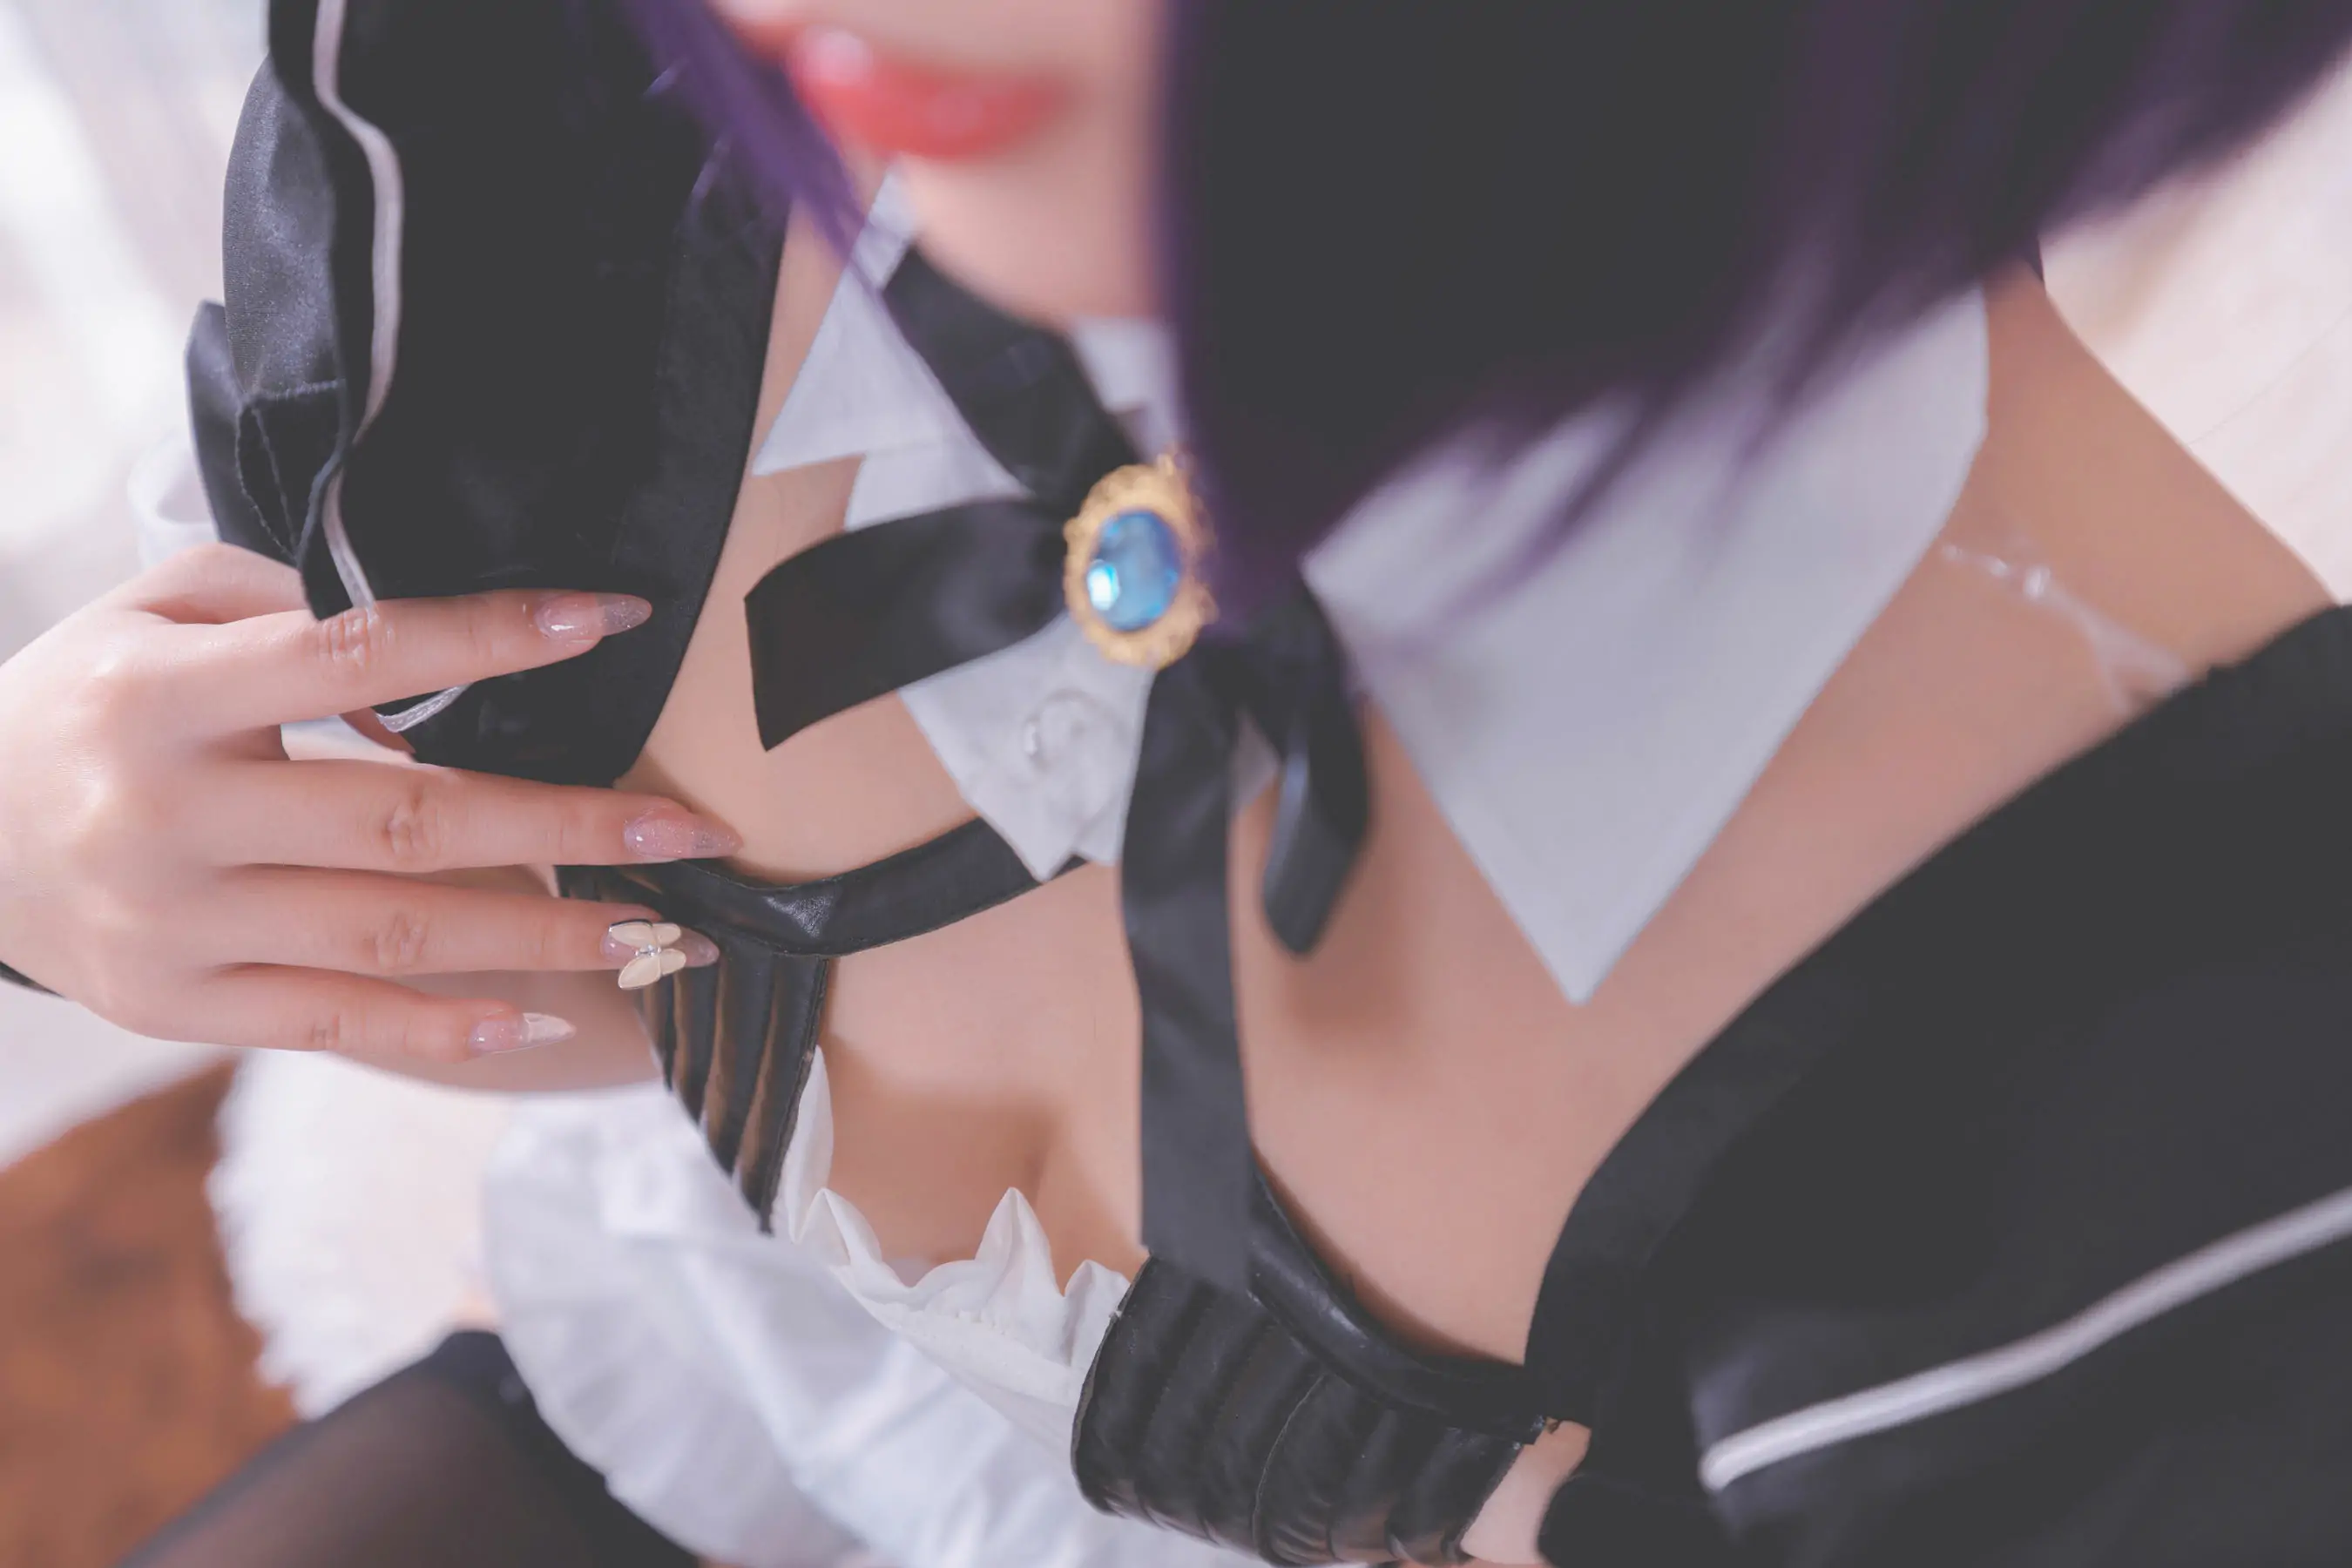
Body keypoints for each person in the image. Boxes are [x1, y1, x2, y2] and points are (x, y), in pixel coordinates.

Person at [7, 0, 2352, 1562]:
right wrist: (48, 845)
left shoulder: (2145, 1112)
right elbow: (528, 955)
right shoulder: (530, 120)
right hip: (683, 1422)